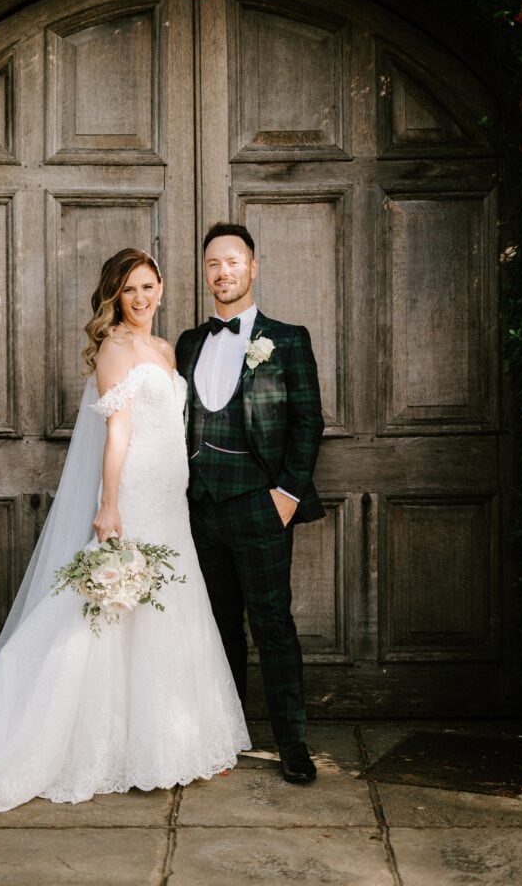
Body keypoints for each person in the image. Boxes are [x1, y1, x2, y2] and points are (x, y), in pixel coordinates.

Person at [0, 248, 249, 848]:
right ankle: (69, 736)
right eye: (129, 290)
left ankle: (175, 741)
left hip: (172, 501)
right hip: (134, 495)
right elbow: (118, 435)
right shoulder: (114, 349)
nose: (140, 298)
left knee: (170, 612)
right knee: (106, 616)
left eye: (148, 286)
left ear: (162, 285)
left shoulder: (167, 350)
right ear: (114, 296)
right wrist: (109, 504)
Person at [176, 223, 325, 785]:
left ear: (253, 268)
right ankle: (227, 735)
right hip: (200, 508)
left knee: (272, 625)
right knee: (217, 628)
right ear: (206, 273)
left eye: (233, 261)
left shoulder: (286, 340)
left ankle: (293, 742)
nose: (223, 272)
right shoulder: (190, 342)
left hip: (262, 509)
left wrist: (286, 496)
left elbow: (308, 422)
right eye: (213, 263)